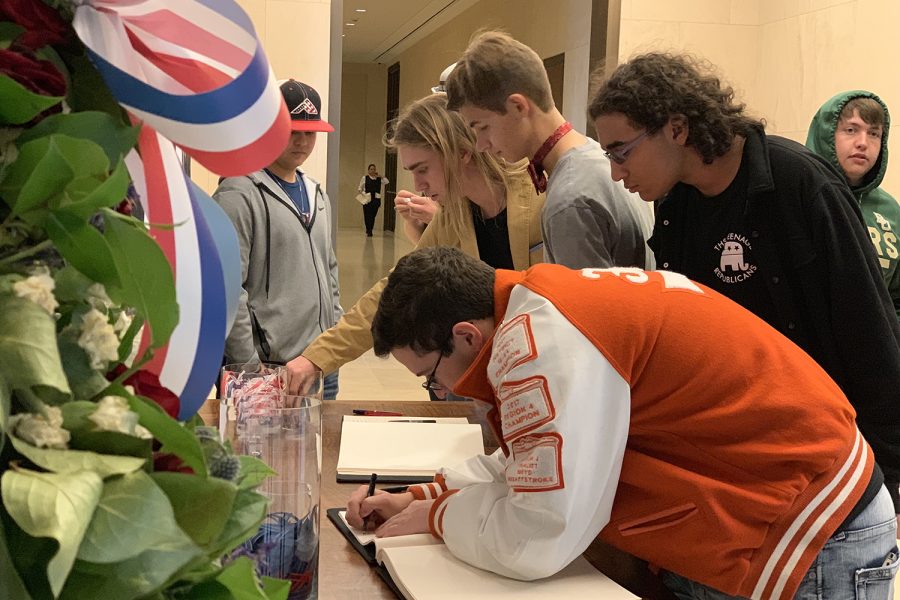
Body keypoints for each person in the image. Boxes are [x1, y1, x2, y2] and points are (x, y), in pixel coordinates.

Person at [347, 246, 898, 599]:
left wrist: (438, 515)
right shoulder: (540, 305)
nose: (440, 392)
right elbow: (536, 458)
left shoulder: (540, 338)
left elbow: (538, 537)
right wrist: (424, 492)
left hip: (811, 526)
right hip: (783, 505)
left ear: (466, 334)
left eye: (431, 375)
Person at [588, 52, 900, 514]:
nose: (616, 172)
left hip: (829, 461)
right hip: (743, 458)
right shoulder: (677, 205)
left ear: (677, 129)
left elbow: (872, 340)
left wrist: (888, 487)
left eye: (621, 151)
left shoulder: (802, 184)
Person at [283, 93, 544, 394]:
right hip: (492, 376)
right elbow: (396, 291)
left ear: (461, 153)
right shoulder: (454, 215)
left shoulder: (542, 196)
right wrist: (316, 359)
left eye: (423, 169)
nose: (418, 186)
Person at [444, 30, 654, 269]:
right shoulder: (592, 156)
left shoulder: (570, 201)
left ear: (517, 106)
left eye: (482, 127)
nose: (481, 145)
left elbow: (581, 306)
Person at [214, 79, 341, 399]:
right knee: (260, 450)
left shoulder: (318, 194)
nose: (302, 141)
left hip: (320, 362)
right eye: (291, 131)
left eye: (309, 133)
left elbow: (330, 270)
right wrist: (247, 366)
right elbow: (228, 287)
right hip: (267, 367)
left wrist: (334, 338)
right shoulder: (239, 193)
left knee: (318, 448)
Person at [806, 90, 900, 318]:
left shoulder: (890, 211)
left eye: (874, 133)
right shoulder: (795, 196)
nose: (862, 143)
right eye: (851, 130)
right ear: (827, 134)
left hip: (874, 346)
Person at [358, 163, 389, 237]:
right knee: (367, 215)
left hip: (376, 199)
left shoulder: (379, 179)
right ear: (368, 170)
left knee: (373, 215)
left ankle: (369, 228)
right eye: (371, 169)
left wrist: (380, 176)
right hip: (367, 199)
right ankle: (369, 230)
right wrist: (363, 193)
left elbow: (387, 181)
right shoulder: (364, 178)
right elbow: (359, 188)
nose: (373, 170)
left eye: (374, 169)